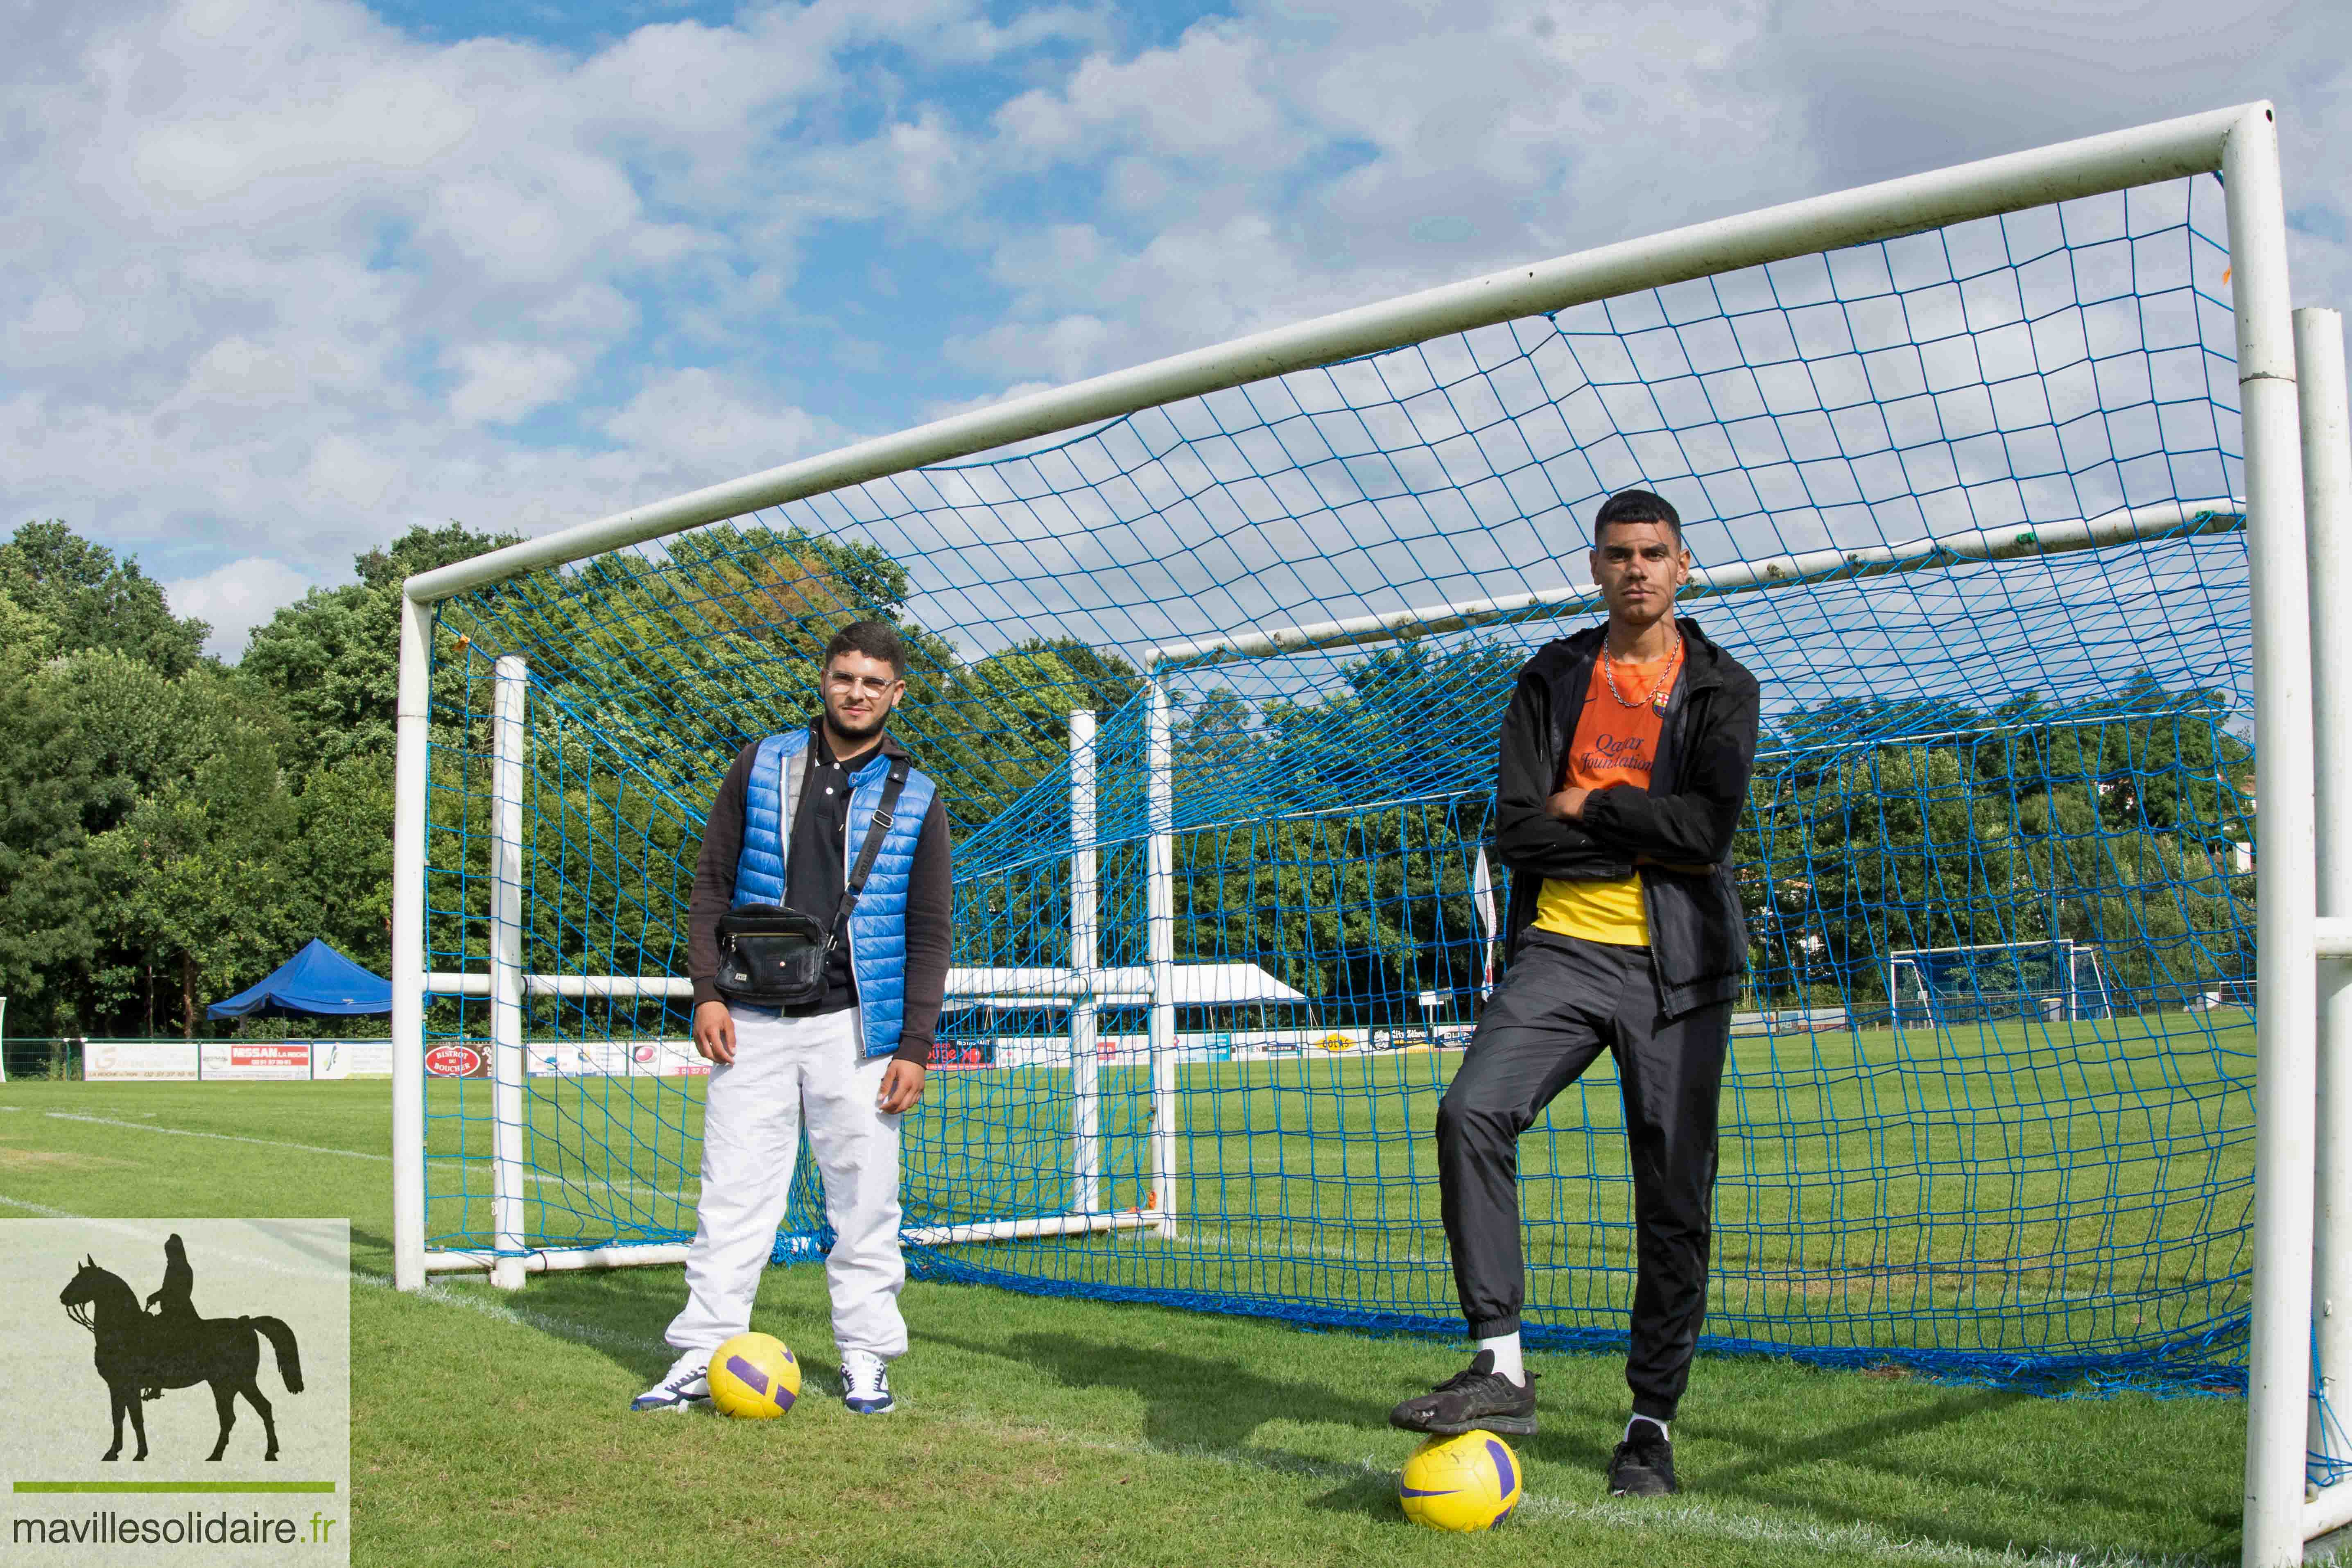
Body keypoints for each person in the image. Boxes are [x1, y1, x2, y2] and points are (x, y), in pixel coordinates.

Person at [1388, 489, 1760, 1498]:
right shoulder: (1551, 677)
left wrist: (1590, 800)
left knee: (1671, 1193)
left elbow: (1706, 833)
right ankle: (1499, 1363)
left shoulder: (1724, 685)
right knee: (1471, 1108)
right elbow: (1516, 830)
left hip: (1679, 966)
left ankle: (1648, 1424)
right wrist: (1636, 824)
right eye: (1616, 554)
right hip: (1559, 950)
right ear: (1593, 568)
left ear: (1683, 565)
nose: (1635, 568)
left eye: (1653, 553)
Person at [632, 619, 953, 1418]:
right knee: (733, 1199)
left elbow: (929, 928)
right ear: (824, 679)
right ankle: (702, 1355)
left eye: (873, 682)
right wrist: (706, 990)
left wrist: (914, 1042)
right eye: (844, 677)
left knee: (865, 1202)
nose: (856, 692)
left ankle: (865, 1357)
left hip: (857, 1028)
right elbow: (711, 881)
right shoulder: (763, 761)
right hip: (752, 1017)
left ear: (896, 694)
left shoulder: (917, 796)